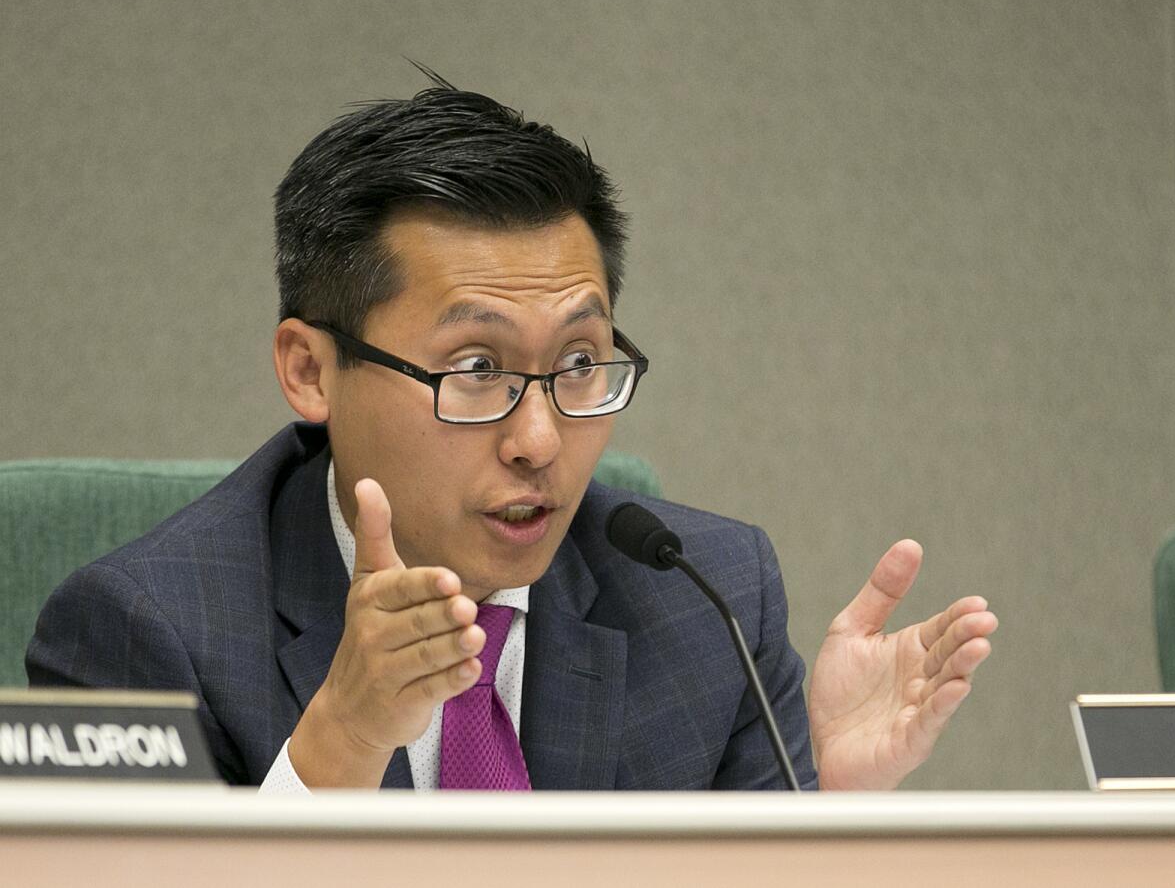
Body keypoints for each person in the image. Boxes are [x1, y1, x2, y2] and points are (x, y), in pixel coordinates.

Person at [26, 78, 998, 792]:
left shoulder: (702, 603)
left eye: (579, 364)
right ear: (310, 369)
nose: (539, 438)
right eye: (477, 370)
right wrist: (343, 745)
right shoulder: (143, 632)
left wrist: (832, 814)